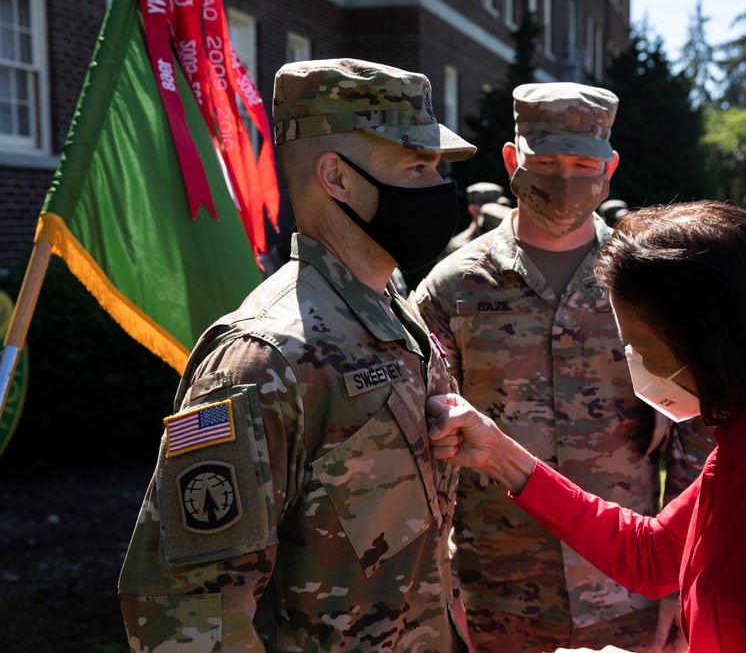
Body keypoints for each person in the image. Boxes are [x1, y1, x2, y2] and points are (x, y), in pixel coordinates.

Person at [426, 200, 746, 653]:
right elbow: (651, 556)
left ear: (710, 338)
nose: (636, 367)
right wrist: (498, 454)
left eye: (642, 349)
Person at [119, 58, 477, 652]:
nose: (439, 190)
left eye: (438, 167)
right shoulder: (265, 358)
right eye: (418, 167)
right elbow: (189, 615)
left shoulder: (394, 310)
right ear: (335, 177)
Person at [414, 83, 714, 652]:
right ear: (512, 160)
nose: (566, 180)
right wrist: (438, 577)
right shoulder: (453, 288)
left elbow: (695, 442)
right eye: (547, 162)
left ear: (610, 168)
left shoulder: (651, 283)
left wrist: (684, 581)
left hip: (628, 589)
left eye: (583, 164)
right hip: (496, 596)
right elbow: (421, 446)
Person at [437, 182, 507, 260]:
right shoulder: (456, 248)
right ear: (472, 209)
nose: (495, 213)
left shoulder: (510, 240)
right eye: (488, 211)